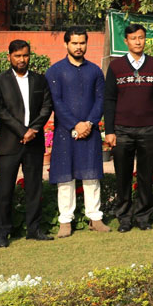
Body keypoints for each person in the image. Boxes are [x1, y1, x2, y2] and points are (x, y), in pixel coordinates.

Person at [104, 23, 153, 232]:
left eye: (141, 37)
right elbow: (109, 99)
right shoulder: (115, 67)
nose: (138, 42)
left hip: (148, 129)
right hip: (122, 129)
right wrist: (110, 131)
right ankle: (124, 217)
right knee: (122, 175)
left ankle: (143, 217)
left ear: (145, 39)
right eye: (133, 38)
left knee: (145, 175)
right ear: (126, 41)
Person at [47, 27, 110, 237]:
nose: (79, 47)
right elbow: (56, 102)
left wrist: (89, 123)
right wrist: (75, 124)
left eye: (82, 42)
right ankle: (65, 220)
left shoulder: (94, 71)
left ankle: (95, 217)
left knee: (91, 175)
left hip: (89, 130)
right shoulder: (55, 71)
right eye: (74, 43)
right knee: (66, 177)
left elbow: (101, 99)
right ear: (66, 44)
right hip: (65, 131)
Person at [0, 40, 54, 246]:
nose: (22, 59)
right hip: (8, 143)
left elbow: (47, 107)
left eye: (25, 55)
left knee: (34, 188)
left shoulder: (40, 80)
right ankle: (2, 233)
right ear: (9, 56)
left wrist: (34, 130)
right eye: (17, 56)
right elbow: (0, 110)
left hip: (34, 143)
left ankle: (34, 229)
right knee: (4, 190)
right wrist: (22, 131)